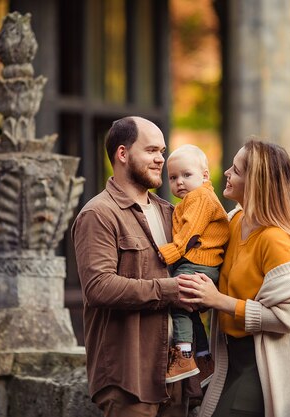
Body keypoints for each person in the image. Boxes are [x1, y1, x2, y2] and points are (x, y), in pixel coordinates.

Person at [177, 139, 290, 417]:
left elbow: (285, 319)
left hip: (265, 363)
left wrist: (218, 300)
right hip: (229, 358)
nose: (227, 173)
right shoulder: (233, 221)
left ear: (256, 184)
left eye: (237, 170)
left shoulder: (276, 240)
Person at [72, 116, 191, 417]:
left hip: (176, 374)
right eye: (151, 150)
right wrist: (171, 289)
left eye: (162, 151)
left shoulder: (171, 213)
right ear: (122, 154)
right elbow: (99, 287)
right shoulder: (99, 214)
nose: (160, 159)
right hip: (128, 378)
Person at [158, 144, 228, 386]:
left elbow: (190, 233)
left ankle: (183, 356)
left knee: (179, 304)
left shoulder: (201, 198)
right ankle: (203, 358)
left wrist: (167, 254)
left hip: (198, 261)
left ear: (205, 176)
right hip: (198, 262)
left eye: (187, 175)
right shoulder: (189, 200)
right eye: (173, 177)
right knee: (190, 311)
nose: (179, 182)